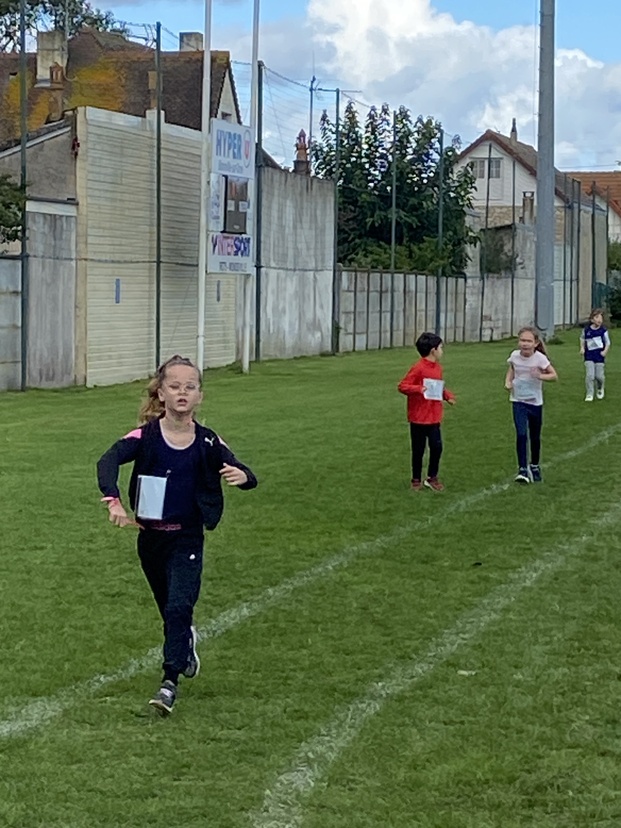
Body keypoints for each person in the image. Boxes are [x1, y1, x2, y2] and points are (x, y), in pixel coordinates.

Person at [97, 354, 257, 716]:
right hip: (151, 539)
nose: (182, 392)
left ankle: (169, 682)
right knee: (170, 612)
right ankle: (184, 641)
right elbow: (107, 460)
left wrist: (243, 477)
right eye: (174, 386)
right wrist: (114, 501)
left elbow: (244, 470)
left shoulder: (208, 442)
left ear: (199, 395)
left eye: (190, 386)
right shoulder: (146, 437)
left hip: (187, 537)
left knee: (178, 606)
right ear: (162, 394)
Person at [397, 332, 456, 492]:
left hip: (434, 416)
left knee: (437, 447)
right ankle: (416, 479)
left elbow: (437, 387)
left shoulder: (437, 368)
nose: (442, 351)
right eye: (440, 347)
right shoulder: (418, 368)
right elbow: (402, 386)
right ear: (433, 350)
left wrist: (447, 396)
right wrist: (418, 389)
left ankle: (432, 477)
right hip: (418, 417)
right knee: (418, 449)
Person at [505, 327, 557, 484]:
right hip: (518, 401)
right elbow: (512, 369)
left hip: (534, 403)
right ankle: (522, 469)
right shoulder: (514, 356)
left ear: (535, 343)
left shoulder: (540, 359)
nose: (525, 344)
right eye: (522, 340)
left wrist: (540, 375)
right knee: (521, 434)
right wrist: (508, 381)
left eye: (528, 341)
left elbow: (554, 376)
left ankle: (534, 465)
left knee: (534, 437)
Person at [580, 308, 610, 402]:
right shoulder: (586, 330)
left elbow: (608, 342)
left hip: (599, 356)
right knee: (590, 375)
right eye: (597, 317)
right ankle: (589, 394)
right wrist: (582, 348)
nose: (599, 320)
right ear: (592, 319)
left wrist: (605, 351)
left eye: (601, 317)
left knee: (599, 376)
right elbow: (582, 339)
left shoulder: (603, 331)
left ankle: (600, 388)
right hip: (589, 356)